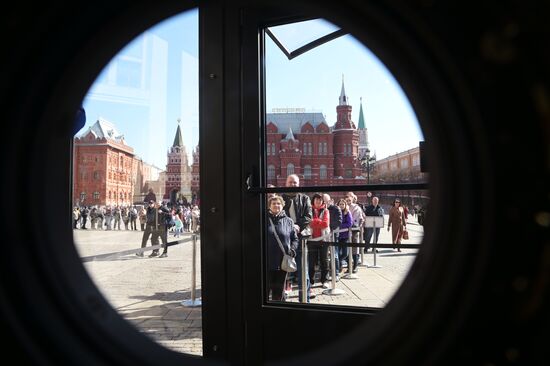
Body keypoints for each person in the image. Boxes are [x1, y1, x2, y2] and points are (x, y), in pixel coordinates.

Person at [281, 174, 312, 301]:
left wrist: (298, 226)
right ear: (286, 183)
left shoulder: (304, 198)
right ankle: (280, 298)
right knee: (282, 269)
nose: (292, 184)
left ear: (298, 184)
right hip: (285, 238)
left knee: (303, 270)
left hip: (301, 237)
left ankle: (305, 299)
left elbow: (308, 216)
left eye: (295, 182)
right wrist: (288, 226)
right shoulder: (281, 198)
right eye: (290, 182)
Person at [266, 195, 298, 301]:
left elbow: (295, 239)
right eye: (273, 203)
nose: (276, 205)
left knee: (278, 291)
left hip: (282, 262)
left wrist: (292, 250)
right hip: (266, 262)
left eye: (279, 203)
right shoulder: (262, 220)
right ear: (269, 206)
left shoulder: (289, 221)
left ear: (282, 206)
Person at [309, 193, 330, 288]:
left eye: (320, 200)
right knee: (311, 261)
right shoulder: (309, 210)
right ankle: (310, 280)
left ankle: (325, 280)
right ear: (313, 200)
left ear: (322, 201)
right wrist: (318, 222)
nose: (318, 201)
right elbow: (307, 222)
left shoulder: (326, 211)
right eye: (316, 199)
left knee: (324, 261)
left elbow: (325, 224)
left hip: (323, 239)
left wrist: (314, 221)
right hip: (311, 240)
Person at [323, 193, 342, 282]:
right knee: (326, 256)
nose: (325, 203)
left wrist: (330, 229)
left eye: (327, 201)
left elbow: (339, 221)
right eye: (324, 201)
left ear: (330, 200)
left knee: (335, 255)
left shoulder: (336, 208)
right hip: (324, 235)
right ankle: (327, 273)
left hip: (333, 234)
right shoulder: (322, 209)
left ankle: (336, 273)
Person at [345, 192, 365, 273]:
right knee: (347, 249)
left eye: (350, 198)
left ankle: (355, 266)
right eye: (347, 197)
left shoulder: (357, 208)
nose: (348, 199)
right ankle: (349, 266)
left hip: (354, 231)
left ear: (353, 199)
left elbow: (357, 219)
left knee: (354, 248)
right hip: (345, 231)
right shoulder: (344, 206)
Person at [337, 199, 353, 273]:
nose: (341, 206)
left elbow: (349, 223)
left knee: (345, 253)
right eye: (340, 204)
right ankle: (338, 267)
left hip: (345, 236)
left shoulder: (347, 212)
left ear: (345, 205)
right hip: (338, 236)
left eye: (343, 204)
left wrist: (340, 226)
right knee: (338, 253)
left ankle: (336, 261)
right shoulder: (337, 212)